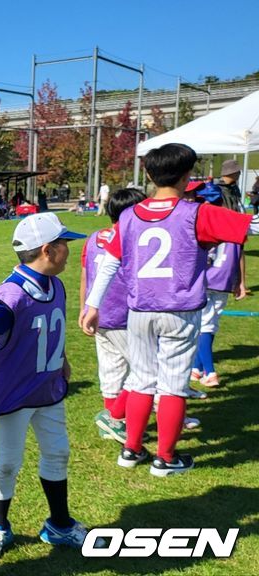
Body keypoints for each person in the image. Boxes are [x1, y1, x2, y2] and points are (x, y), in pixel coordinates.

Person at [81, 143, 259, 477]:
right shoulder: (196, 212)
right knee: (173, 384)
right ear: (187, 174)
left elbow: (109, 263)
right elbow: (249, 226)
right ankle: (165, 458)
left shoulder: (130, 215)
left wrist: (92, 304)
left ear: (148, 174)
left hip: (139, 310)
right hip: (179, 309)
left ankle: (131, 450)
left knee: (141, 379)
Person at [0, 212, 87, 561]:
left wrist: (62, 359)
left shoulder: (57, 285)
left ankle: (60, 524)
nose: (69, 250)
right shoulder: (10, 296)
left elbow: (54, 329)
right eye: (64, 244)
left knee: (57, 453)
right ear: (48, 250)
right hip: (13, 395)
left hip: (48, 391)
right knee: (6, 462)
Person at [80, 188, 146, 446]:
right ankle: (116, 416)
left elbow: (86, 273)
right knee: (143, 370)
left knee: (111, 370)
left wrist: (85, 306)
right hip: (123, 315)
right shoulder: (132, 238)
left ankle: (115, 423)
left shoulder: (95, 237)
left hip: (98, 314)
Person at [191, 185, 248, 388]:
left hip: (207, 279)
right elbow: (240, 252)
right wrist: (240, 281)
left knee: (203, 326)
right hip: (224, 280)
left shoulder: (204, 220)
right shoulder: (233, 220)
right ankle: (197, 368)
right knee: (210, 324)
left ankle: (210, 372)